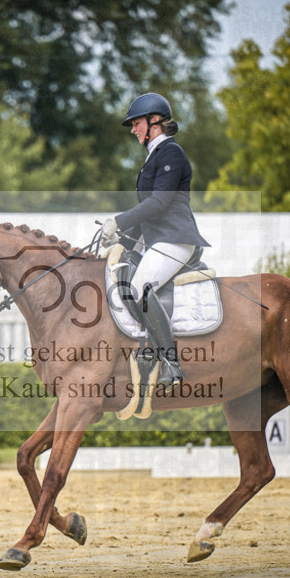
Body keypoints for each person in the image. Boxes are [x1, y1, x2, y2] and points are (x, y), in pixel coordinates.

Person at [99, 92, 210, 385]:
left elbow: (159, 203)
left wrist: (118, 221)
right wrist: (121, 240)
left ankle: (171, 364)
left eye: (136, 123)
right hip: (158, 240)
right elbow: (147, 213)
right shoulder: (153, 158)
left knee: (140, 289)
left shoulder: (171, 153)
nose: (133, 130)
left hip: (175, 239)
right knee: (124, 279)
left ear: (155, 121)